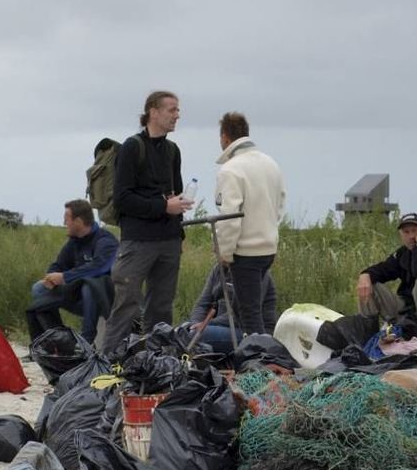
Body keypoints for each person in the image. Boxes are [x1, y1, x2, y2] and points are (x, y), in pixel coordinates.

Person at [99, 91, 193, 357]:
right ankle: (107, 365)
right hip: (138, 242)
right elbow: (123, 198)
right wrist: (163, 206)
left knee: (162, 308)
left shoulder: (173, 150)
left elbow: (174, 192)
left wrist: (178, 222)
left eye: (177, 110)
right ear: (153, 112)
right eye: (172, 110)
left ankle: (159, 364)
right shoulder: (132, 147)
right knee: (126, 304)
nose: (177, 115)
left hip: (169, 240)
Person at [213, 112, 286, 337]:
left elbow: (229, 217)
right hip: (268, 248)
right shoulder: (270, 163)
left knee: (250, 315)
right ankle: (257, 355)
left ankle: (259, 362)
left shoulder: (231, 169)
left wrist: (224, 252)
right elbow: (280, 204)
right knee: (246, 308)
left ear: (225, 137)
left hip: (245, 252)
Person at [26, 199, 118, 345]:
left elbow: (99, 267)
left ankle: (86, 339)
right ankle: (57, 339)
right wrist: (51, 277)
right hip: (76, 294)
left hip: (104, 296)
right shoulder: (74, 241)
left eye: (66, 219)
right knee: (39, 289)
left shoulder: (106, 240)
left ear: (79, 221)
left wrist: (64, 277)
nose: (64, 224)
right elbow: (59, 264)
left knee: (90, 286)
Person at [356, 213, 417, 326]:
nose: (411, 236)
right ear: (401, 235)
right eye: (406, 232)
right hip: (408, 310)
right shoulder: (402, 254)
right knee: (369, 284)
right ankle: (368, 336)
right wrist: (365, 275)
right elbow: (383, 269)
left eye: (415, 231)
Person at [188, 263, 278, 353]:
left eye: (219, 248)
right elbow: (202, 304)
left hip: (249, 332)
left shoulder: (254, 273)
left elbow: (240, 314)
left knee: (197, 335)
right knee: (181, 331)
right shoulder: (219, 270)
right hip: (220, 326)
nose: (215, 251)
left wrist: (205, 325)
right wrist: (194, 324)